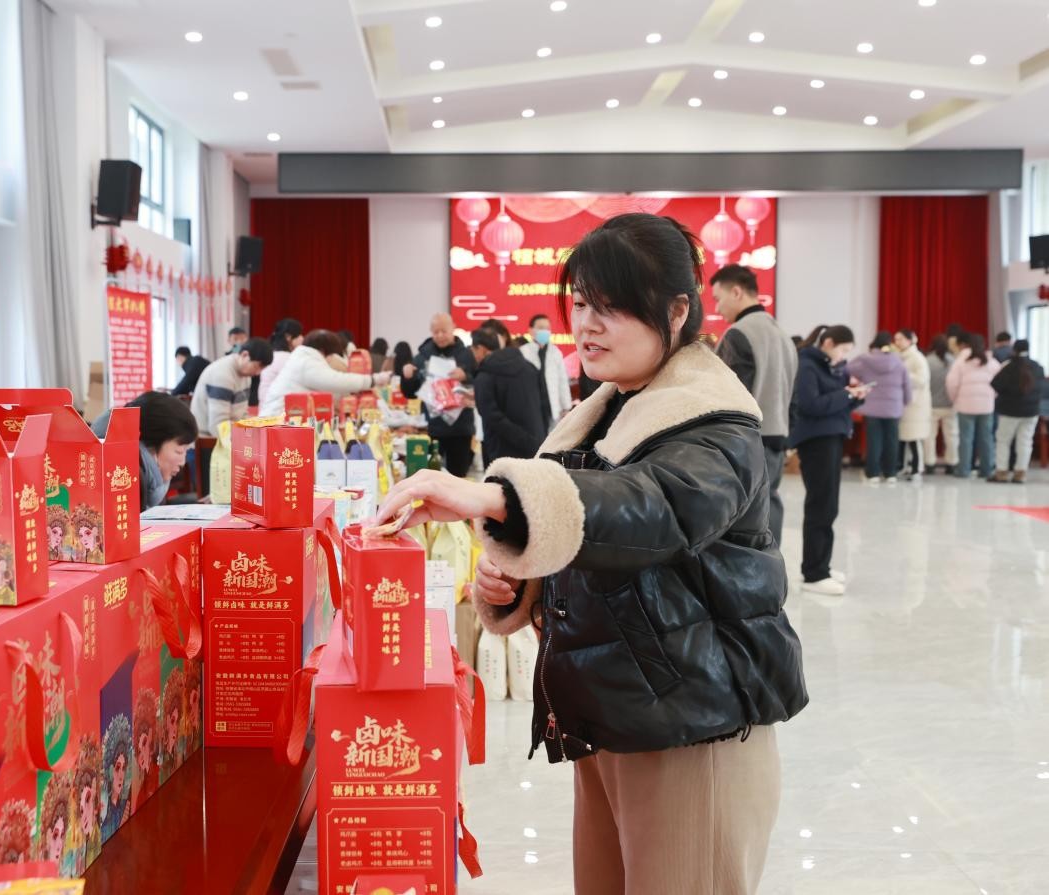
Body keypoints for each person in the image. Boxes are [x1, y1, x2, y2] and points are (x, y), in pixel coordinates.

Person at [371, 214, 807, 893]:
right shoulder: (604, 412)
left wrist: (494, 497)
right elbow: (590, 539)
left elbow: (653, 509)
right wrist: (515, 581)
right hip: (615, 716)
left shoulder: (718, 427)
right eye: (580, 303)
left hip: (693, 726)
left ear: (678, 310)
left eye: (613, 306)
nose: (588, 325)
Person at [711, 264, 798, 546]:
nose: (717, 308)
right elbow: (792, 394)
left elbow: (731, 397)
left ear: (736, 292)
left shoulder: (739, 333)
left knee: (741, 516)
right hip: (777, 437)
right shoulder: (782, 334)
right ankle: (771, 566)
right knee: (769, 506)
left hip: (746, 443)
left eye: (718, 298)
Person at [791, 325, 869, 596]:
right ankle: (814, 573)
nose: (844, 356)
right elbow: (811, 405)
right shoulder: (807, 365)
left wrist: (854, 397)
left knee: (828, 506)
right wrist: (845, 394)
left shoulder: (830, 366)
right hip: (816, 441)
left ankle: (820, 565)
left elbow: (834, 401)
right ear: (829, 343)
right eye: (843, 350)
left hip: (832, 437)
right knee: (820, 505)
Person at [92, 391, 198, 510]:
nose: (182, 462)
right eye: (179, 451)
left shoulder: (146, 477)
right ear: (151, 447)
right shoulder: (126, 480)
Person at [402, 313, 478, 477]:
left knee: (458, 477)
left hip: (461, 427)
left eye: (444, 331)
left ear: (453, 328)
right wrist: (407, 377)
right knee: (430, 476)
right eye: (436, 332)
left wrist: (466, 377)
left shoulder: (467, 354)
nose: (440, 336)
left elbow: (480, 385)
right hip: (432, 427)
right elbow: (410, 393)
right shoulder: (423, 356)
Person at [259, 330, 392, 417]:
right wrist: (373, 380)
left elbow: (328, 390)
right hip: (276, 420)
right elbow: (336, 381)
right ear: (323, 351)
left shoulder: (303, 357)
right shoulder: (306, 362)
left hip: (281, 418)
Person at [470, 328, 551, 467]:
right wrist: (537, 439)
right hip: (535, 446)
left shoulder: (484, 376)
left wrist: (522, 438)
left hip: (501, 452)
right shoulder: (530, 368)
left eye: (473, 350)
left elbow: (491, 416)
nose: (473, 355)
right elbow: (545, 405)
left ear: (481, 349)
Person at [848, 333, 911, 484]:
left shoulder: (866, 361)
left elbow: (848, 368)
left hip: (872, 408)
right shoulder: (899, 361)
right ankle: (890, 473)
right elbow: (907, 385)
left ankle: (873, 473)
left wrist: (863, 357)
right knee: (892, 441)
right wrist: (905, 402)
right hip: (894, 407)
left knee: (874, 441)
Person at [946, 333, 1001, 479]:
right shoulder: (991, 361)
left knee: (965, 439)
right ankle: (986, 470)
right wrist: (992, 396)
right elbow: (1000, 382)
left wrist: (955, 399)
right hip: (986, 406)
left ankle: (964, 470)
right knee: (986, 438)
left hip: (965, 405)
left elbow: (951, 383)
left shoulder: (960, 361)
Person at [190, 337, 271, 436]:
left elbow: (242, 415)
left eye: (262, 369)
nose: (258, 373)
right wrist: (249, 434)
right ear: (244, 355)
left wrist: (260, 423)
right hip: (207, 438)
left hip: (226, 435)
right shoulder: (222, 375)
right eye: (256, 366)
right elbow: (217, 427)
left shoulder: (246, 375)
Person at [991, 339, 1045, 483]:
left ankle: (1001, 472)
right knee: (1025, 441)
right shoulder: (1037, 367)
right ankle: (1020, 473)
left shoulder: (1008, 366)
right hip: (1031, 412)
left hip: (1010, 411)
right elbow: (1042, 388)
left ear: (1013, 350)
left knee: (1003, 441)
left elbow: (995, 384)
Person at [520, 313, 573, 426]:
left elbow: (562, 381)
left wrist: (566, 407)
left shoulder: (556, 352)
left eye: (547, 328)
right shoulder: (523, 352)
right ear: (530, 330)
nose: (544, 331)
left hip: (552, 407)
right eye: (540, 328)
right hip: (531, 407)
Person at [893, 329, 931, 479]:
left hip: (916, 405)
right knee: (903, 437)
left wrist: (904, 375)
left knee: (914, 437)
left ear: (909, 341)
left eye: (900, 339)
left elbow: (922, 380)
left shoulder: (917, 357)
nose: (897, 342)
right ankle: (903, 466)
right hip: (902, 403)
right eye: (896, 339)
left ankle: (916, 469)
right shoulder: (899, 356)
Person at [925, 334, 959, 472]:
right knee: (952, 436)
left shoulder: (928, 361)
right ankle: (952, 463)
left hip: (931, 404)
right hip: (950, 404)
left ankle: (929, 463)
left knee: (929, 436)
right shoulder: (954, 361)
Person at [257, 317, 304, 407]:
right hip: (275, 408)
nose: (302, 338)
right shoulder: (286, 358)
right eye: (299, 335)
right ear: (288, 337)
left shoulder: (274, 354)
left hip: (267, 406)